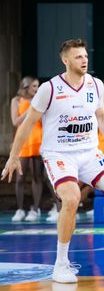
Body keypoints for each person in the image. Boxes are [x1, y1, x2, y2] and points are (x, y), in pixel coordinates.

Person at [1, 38, 104, 283]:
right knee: (72, 197)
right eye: (78, 57)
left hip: (89, 152)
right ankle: (61, 264)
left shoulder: (95, 85)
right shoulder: (49, 89)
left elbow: (101, 116)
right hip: (59, 154)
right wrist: (13, 156)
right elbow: (28, 123)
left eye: (85, 56)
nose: (84, 60)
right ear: (65, 60)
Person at [9, 76, 47, 222]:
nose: (37, 89)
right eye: (34, 86)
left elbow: (43, 120)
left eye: (38, 86)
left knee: (37, 176)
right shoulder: (16, 101)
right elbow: (16, 121)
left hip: (37, 140)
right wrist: (31, 109)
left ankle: (35, 209)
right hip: (23, 141)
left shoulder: (40, 101)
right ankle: (19, 209)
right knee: (20, 177)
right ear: (26, 87)